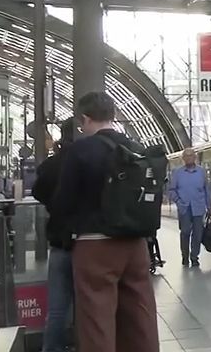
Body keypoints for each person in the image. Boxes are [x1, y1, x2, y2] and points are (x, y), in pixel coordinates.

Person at [52, 92, 158, 352]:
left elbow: (63, 201)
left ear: (86, 119)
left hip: (94, 246)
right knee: (139, 317)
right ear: (112, 116)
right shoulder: (136, 148)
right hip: (135, 245)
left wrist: (61, 235)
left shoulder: (81, 150)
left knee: (96, 320)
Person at [32, 119, 77, 352]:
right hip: (88, 244)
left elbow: (37, 191)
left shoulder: (51, 165)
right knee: (90, 304)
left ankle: (52, 348)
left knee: (57, 307)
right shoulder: (89, 160)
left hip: (59, 241)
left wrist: (54, 204)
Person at [168, 147, 211, 267]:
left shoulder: (201, 172)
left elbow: (206, 190)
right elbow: (171, 190)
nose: (188, 158)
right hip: (184, 208)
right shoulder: (177, 172)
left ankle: (194, 257)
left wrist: (209, 206)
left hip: (199, 207)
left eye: (191, 156)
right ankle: (185, 256)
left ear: (195, 157)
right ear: (183, 159)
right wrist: (178, 202)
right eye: (186, 156)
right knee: (185, 232)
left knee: (198, 234)